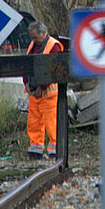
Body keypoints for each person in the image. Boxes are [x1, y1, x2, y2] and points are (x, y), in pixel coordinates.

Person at [24, 21, 64, 159]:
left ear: (43, 33)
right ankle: (35, 150)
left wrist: (42, 87)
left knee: (51, 124)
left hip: (48, 94)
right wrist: (26, 84)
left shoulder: (54, 46)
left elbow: (54, 70)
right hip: (33, 92)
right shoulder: (33, 45)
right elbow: (26, 65)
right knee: (34, 123)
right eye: (32, 37)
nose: (33, 40)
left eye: (35, 37)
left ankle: (55, 151)